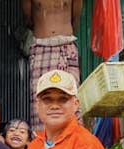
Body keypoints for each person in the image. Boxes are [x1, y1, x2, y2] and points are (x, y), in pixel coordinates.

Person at [22, 0, 83, 132]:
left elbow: (76, 18)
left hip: (66, 45)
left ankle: (72, 141)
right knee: (40, 95)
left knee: (71, 94)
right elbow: (29, 19)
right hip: (41, 46)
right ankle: (44, 143)